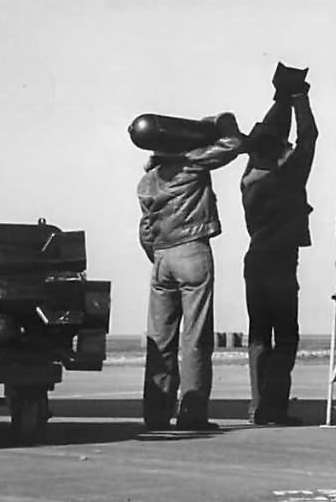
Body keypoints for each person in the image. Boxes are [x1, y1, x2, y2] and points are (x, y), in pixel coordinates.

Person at [137, 112, 248, 432]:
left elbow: (145, 231)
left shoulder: (146, 182)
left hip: (162, 258)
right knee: (195, 337)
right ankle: (192, 413)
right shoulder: (190, 165)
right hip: (192, 251)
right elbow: (232, 144)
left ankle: (156, 414)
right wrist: (219, 120)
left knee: (160, 339)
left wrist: (159, 256)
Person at [240, 63, 317, 426]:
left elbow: (271, 137)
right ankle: (274, 407)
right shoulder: (287, 180)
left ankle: (258, 406)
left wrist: (282, 99)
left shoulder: (250, 178)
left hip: (255, 263)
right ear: (279, 154)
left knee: (259, 336)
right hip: (281, 266)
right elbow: (309, 137)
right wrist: (298, 98)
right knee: (286, 337)